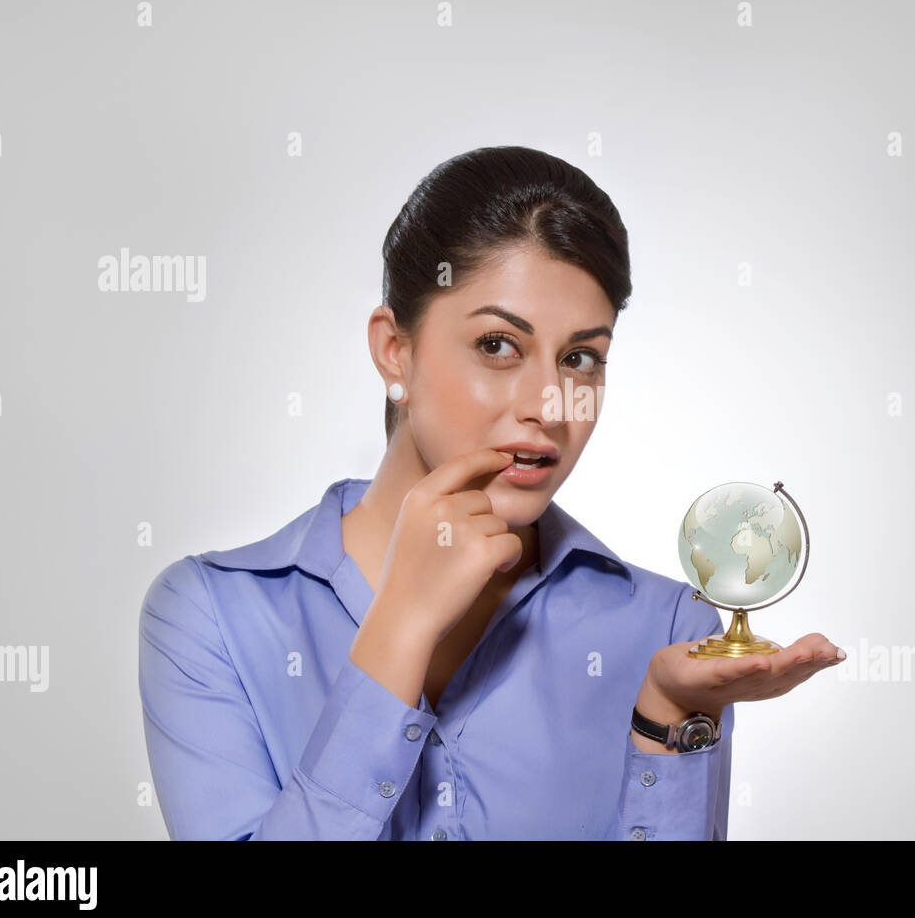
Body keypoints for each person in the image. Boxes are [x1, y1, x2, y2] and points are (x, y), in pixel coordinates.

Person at [137, 145, 845, 840]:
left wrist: (666, 723)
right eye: (499, 346)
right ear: (396, 351)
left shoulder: (669, 632)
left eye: (580, 360)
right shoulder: (213, 618)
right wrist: (402, 625)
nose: (551, 403)